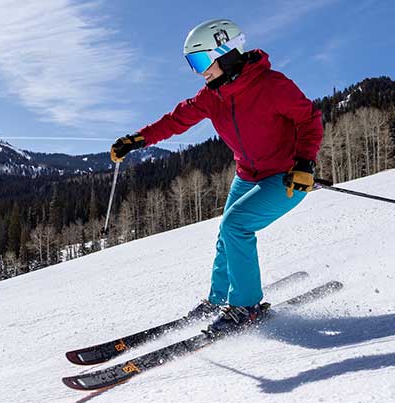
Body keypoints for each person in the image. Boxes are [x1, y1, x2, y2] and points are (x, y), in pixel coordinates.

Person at [110, 19, 323, 332]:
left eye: (200, 61)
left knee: (235, 226)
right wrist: (137, 140)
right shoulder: (213, 95)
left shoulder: (272, 85)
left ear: (224, 52)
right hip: (248, 175)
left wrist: (304, 164)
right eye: (192, 64)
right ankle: (217, 298)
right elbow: (176, 120)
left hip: (287, 177)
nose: (199, 71)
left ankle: (247, 306)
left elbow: (309, 120)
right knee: (227, 233)